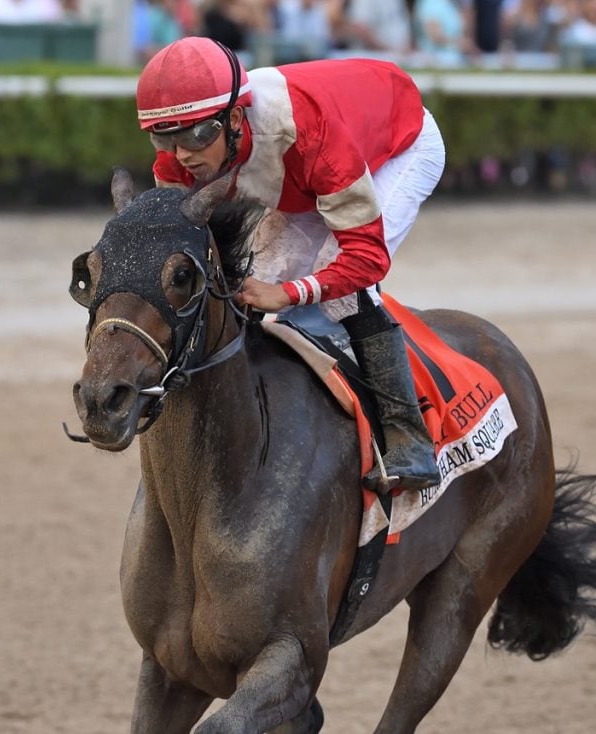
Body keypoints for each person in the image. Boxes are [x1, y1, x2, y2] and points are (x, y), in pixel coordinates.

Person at [135, 36, 446, 490]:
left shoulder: (309, 132)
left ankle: (409, 436)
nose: (182, 153)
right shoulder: (181, 154)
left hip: (399, 145)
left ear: (235, 118)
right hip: (307, 171)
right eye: (167, 137)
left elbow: (367, 258)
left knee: (341, 290)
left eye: (198, 136)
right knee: (248, 276)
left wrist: (290, 292)